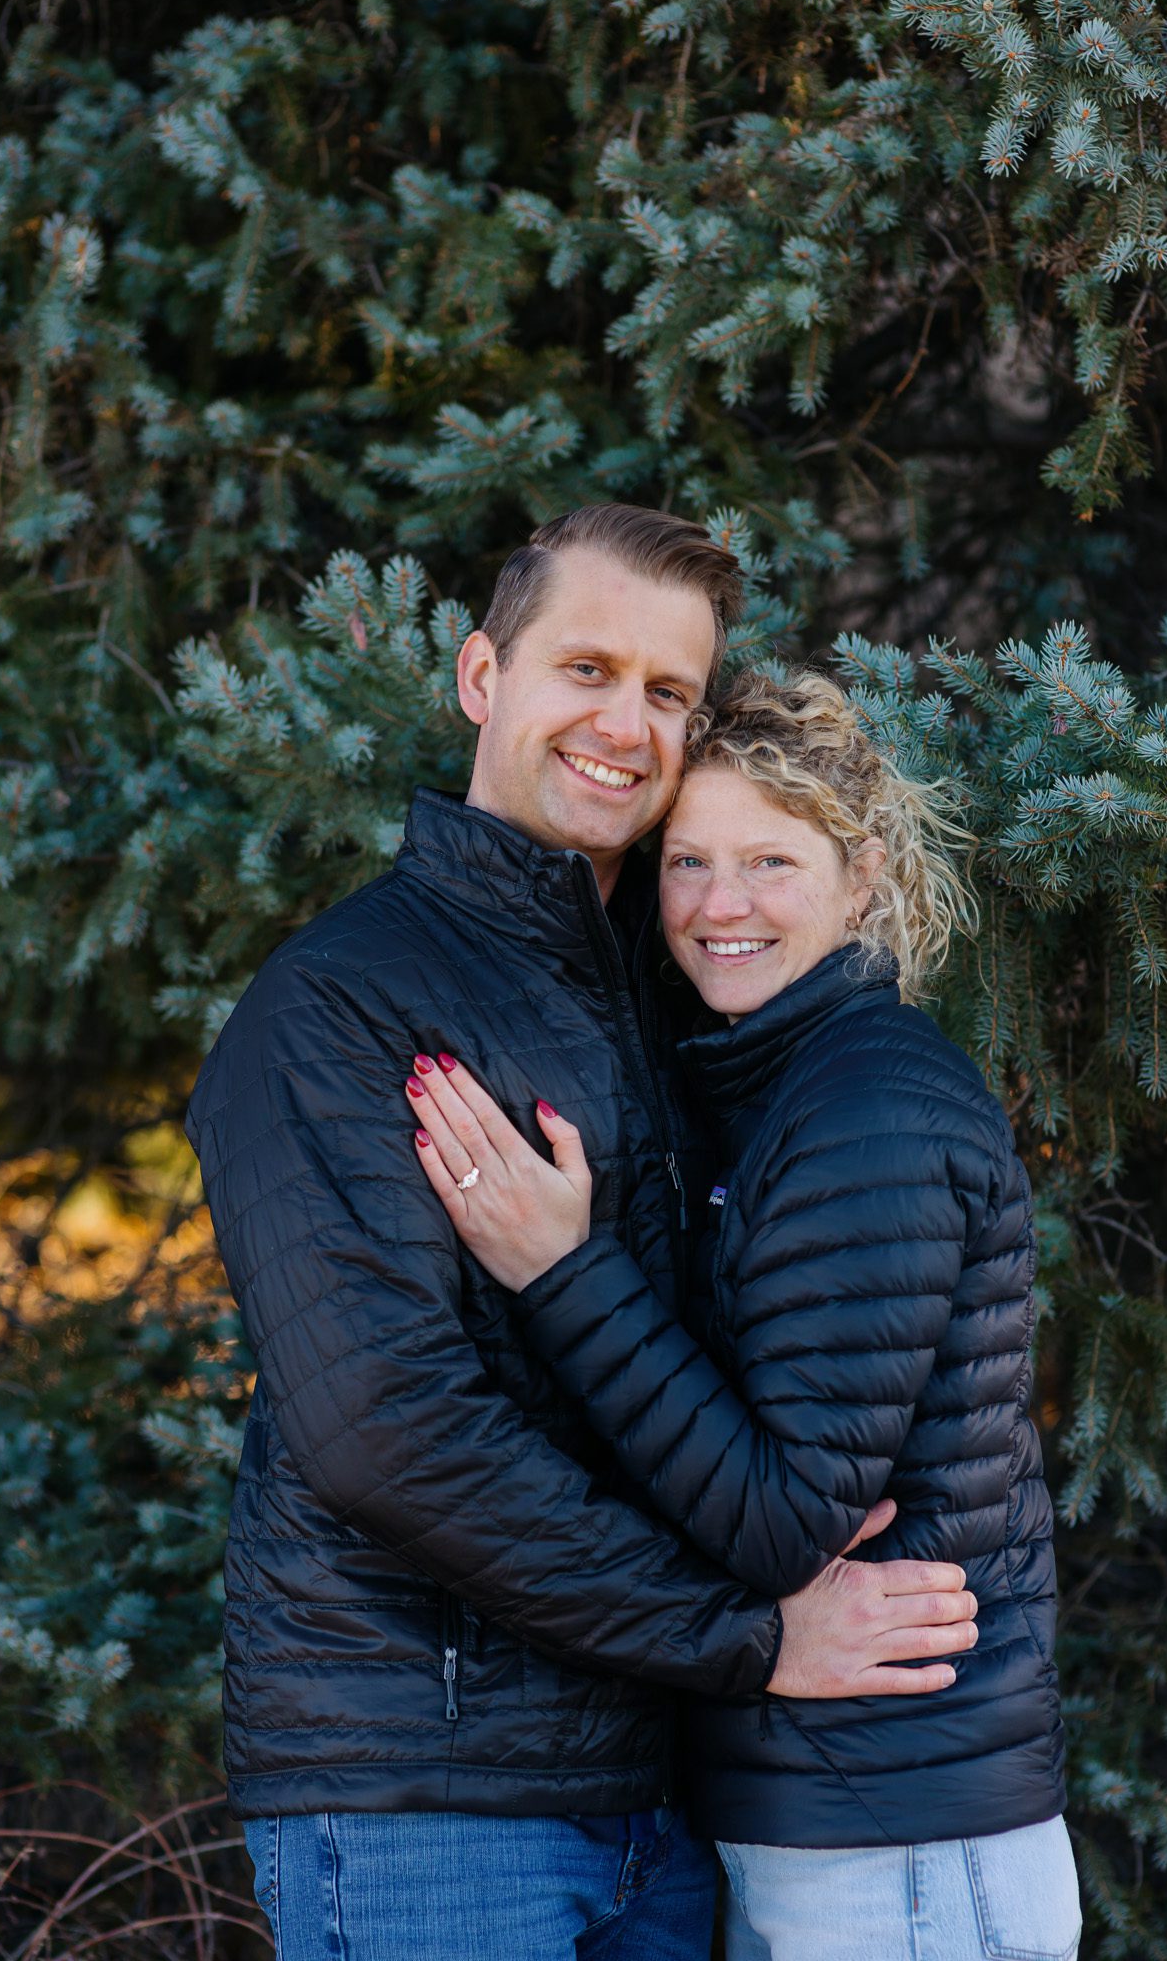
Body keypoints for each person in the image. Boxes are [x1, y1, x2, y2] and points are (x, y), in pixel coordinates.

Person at [185, 511, 980, 1961]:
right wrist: (746, 1640)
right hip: (430, 1798)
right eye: (587, 669)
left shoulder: (680, 984)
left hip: (652, 1794)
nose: (626, 724)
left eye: (667, 692)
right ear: (483, 676)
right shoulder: (340, 1006)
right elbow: (386, 1427)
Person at [406, 664, 1079, 1961]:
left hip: (901, 1829)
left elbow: (783, 1522)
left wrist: (562, 1271)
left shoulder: (865, 1109)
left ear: (861, 874)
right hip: (824, 1809)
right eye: (688, 863)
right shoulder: (767, 1092)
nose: (719, 907)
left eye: (769, 862)